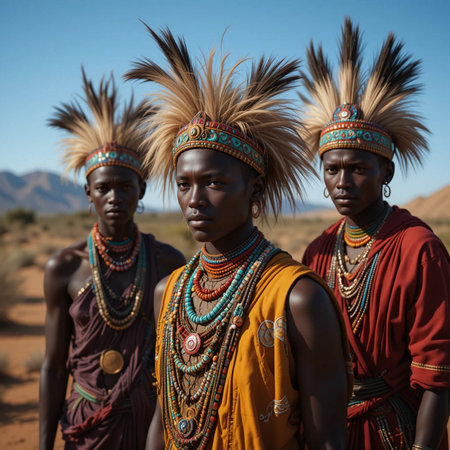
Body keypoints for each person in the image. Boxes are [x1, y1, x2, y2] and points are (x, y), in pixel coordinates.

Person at [124, 26, 353, 450]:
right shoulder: (168, 292)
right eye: (183, 183)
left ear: (256, 190)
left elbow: (329, 441)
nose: (194, 200)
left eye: (213, 182)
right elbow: (163, 416)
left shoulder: (297, 299)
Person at [301, 19, 450, 450]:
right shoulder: (319, 251)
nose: (343, 181)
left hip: (396, 432)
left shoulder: (418, 249)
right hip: (328, 432)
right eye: (332, 169)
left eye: (358, 169)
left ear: (386, 171)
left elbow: (438, 377)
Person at [39, 69, 185, 450]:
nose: (114, 197)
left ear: (142, 191)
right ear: (88, 192)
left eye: (125, 187)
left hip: (149, 422)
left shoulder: (168, 261)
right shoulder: (64, 267)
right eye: (103, 188)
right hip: (87, 421)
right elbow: (54, 366)